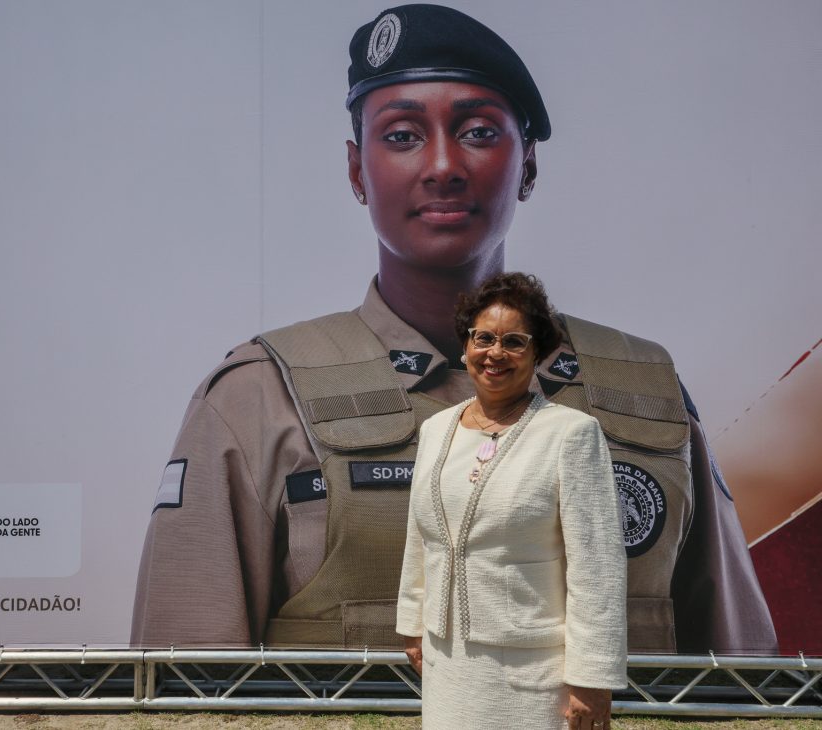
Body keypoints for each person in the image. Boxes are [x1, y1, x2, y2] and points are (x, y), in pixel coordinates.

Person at [132, 3, 776, 656]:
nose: (441, 164)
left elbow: (749, 689)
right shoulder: (259, 400)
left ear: (527, 165)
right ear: (358, 170)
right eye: (403, 135)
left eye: (477, 132)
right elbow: (179, 696)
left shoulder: (644, 393)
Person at [397, 272, 625, 729]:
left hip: (533, 670)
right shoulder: (435, 429)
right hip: (446, 657)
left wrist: (591, 677)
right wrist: (413, 622)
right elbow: (421, 537)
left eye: (514, 342)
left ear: (537, 353)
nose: (495, 353)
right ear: (465, 346)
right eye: (483, 338)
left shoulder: (570, 434)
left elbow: (597, 566)